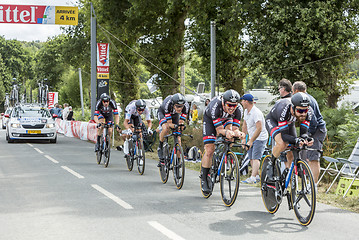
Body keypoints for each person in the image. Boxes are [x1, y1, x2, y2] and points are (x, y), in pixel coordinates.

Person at [201, 90, 246, 193]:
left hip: (226, 119)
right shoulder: (215, 106)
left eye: (234, 105)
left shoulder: (239, 109)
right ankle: (204, 178)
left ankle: (225, 155)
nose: (232, 108)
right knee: (209, 149)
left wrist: (239, 133)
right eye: (229, 105)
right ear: (223, 102)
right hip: (210, 120)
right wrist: (227, 132)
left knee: (231, 135)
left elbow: (235, 129)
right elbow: (219, 130)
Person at [265, 92, 314, 181]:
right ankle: (271, 164)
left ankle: (288, 175)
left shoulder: (309, 112)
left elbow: (303, 133)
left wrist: (306, 139)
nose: (303, 114)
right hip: (273, 121)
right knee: (282, 144)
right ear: (293, 107)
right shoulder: (283, 109)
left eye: (305, 110)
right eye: (300, 111)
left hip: (289, 123)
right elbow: (284, 136)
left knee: (294, 149)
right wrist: (296, 139)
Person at [292, 81, 327, 187]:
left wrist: (308, 135)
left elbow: (313, 121)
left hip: (317, 130)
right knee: (306, 157)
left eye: (293, 92)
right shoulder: (307, 97)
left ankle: (313, 185)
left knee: (313, 158)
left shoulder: (306, 101)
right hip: (312, 130)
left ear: (296, 91)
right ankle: (308, 182)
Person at [240, 94, 269, 184]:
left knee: (256, 157)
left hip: (260, 137)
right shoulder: (246, 111)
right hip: (252, 137)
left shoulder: (256, 112)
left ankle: (252, 178)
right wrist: (244, 137)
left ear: (246, 102)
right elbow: (244, 125)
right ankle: (256, 176)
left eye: (242, 101)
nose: (241, 102)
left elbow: (259, 128)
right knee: (251, 157)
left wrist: (251, 141)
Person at [157, 93, 189, 166]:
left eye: (181, 106)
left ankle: (178, 159)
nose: (179, 108)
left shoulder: (186, 106)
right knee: (166, 128)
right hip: (163, 113)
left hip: (174, 115)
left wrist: (180, 127)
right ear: (173, 104)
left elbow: (181, 121)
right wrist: (174, 125)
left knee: (179, 137)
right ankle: (160, 146)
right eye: (177, 106)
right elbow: (169, 123)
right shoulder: (167, 104)